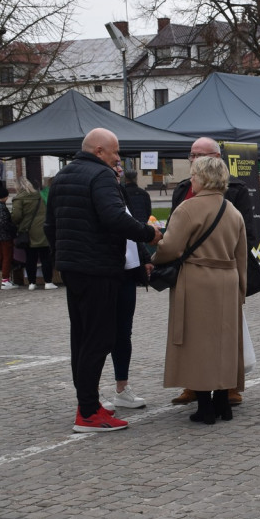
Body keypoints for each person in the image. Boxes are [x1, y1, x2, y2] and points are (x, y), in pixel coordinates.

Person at [44, 128, 161, 433]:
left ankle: (89, 404)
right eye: (115, 152)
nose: (117, 158)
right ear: (98, 151)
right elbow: (114, 217)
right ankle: (88, 413)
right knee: (100, 338)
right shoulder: (102, 175)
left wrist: (63, 257)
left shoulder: (63, 176)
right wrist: (149, 234)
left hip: (73, 268)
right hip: (98, 269)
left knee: (81, 338)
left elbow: (49, 224)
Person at [153, 155, 247, 425]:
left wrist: (155, 258)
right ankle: (223, 403)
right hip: (228, 279)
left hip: (197, 279)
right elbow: (241, 256)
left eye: (194, 174)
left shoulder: (187, 209)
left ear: (203, 177)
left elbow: (170, 248)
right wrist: (240, 288)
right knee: (225, 343)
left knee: (198, 343)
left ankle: (205, 406)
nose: (191, 179)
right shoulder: (232, 210)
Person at [167, 136, 260, 406]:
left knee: (227, 332)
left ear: (217, 157)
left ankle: (230, 385)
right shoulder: (183, 188)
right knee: (189, 332)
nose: (194, 159)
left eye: (200, 154)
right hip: (189, 273)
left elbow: (247, 233)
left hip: (222, 271)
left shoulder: (236, 189)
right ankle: (193, 385)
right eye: (192, 155)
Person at [97, 161, 153, 412]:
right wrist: (150, 235)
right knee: (99, 335)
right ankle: (91, 391)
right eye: (115, 163)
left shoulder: (120, 193)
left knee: (123, 334)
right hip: (104, 272)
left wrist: (144, 258)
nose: (119, 168)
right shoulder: (98, 190)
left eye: (120, 165)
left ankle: (122, 387)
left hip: (127, 273)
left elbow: (130, 227)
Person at [10, 177, 55, 290]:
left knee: (30, 258)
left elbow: (16, 216)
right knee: (45, 257)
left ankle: (31, 283)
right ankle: (48, 282)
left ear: (17, 187)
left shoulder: (19, 199)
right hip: (43, 230)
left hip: (28, 232)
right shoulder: (40, 196)